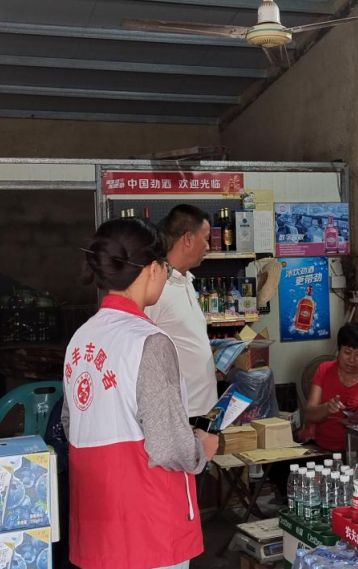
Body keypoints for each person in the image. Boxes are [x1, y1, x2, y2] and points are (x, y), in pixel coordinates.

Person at [63, 217, 219, 569]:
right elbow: (168, 446)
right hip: (147, 523)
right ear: (152, 269)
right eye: (164, 266)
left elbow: (72, 422)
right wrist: (201, 448)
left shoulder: (81, 338)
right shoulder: (149, 342)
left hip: (97, 521)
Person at [144, 204, 218, 419]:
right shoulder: (158, 288)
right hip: (180, 415)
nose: (208, 246)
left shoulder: (186, 281)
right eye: (205, 239)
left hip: (204, 409)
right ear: (188, 239)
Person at [304, 323, 358, 451]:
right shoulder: (324, 370)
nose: (352, 360)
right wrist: (327, 408)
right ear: (339, 350)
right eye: (347, 352)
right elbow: (309, 414)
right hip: (322, 447)